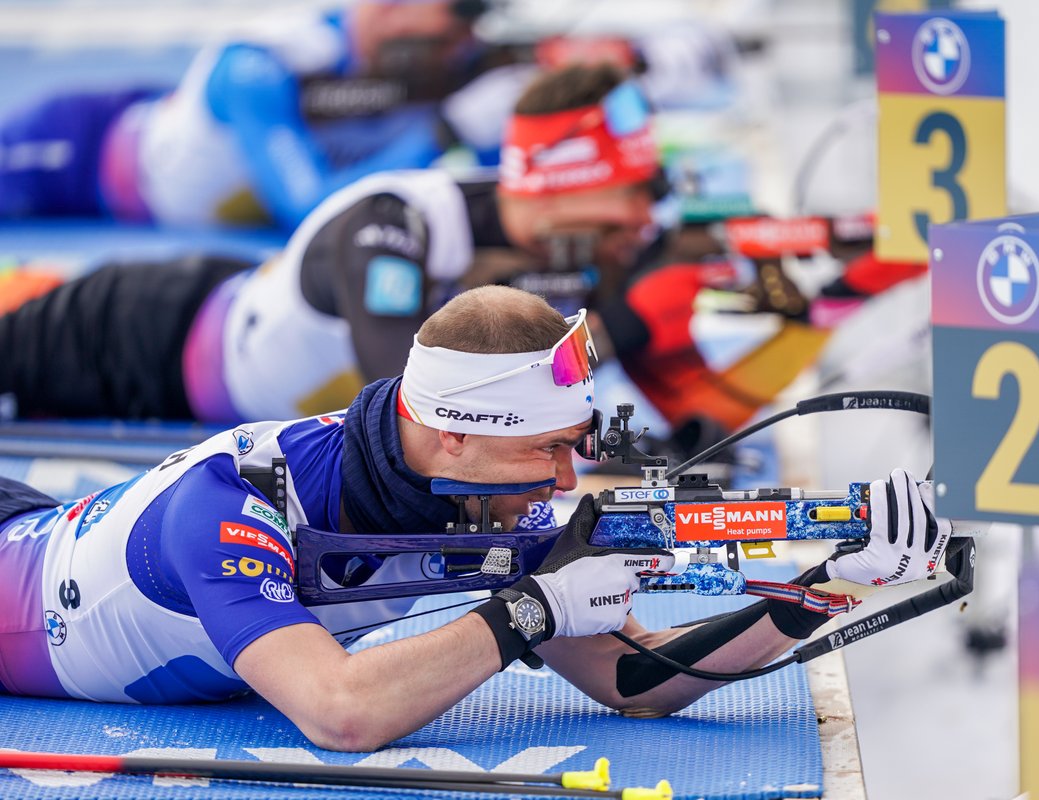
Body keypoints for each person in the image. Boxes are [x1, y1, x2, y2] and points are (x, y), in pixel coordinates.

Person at [0, 285, 953, 751]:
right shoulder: (230, 503)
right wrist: (529, 612)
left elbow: (637, 682)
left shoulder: (493, 497)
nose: (564, 475)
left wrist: (824, 588)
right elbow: (340, 711)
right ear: (450, 436)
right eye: (544, 449)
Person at [0, 62, 667, 422]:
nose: (648, 217)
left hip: (220, 320)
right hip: (141, 335)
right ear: (566, 189)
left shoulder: (590, 245)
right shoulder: (395, 225)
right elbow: (417, 407)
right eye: (638, 190)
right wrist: (625, 327)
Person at [0, 0, 515, 230]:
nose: (459, 50)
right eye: (449, 30)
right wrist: (446, 131)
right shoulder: (260, 65)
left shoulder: (452, 64)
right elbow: (308, 205)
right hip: (81, 154)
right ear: (389, 7)